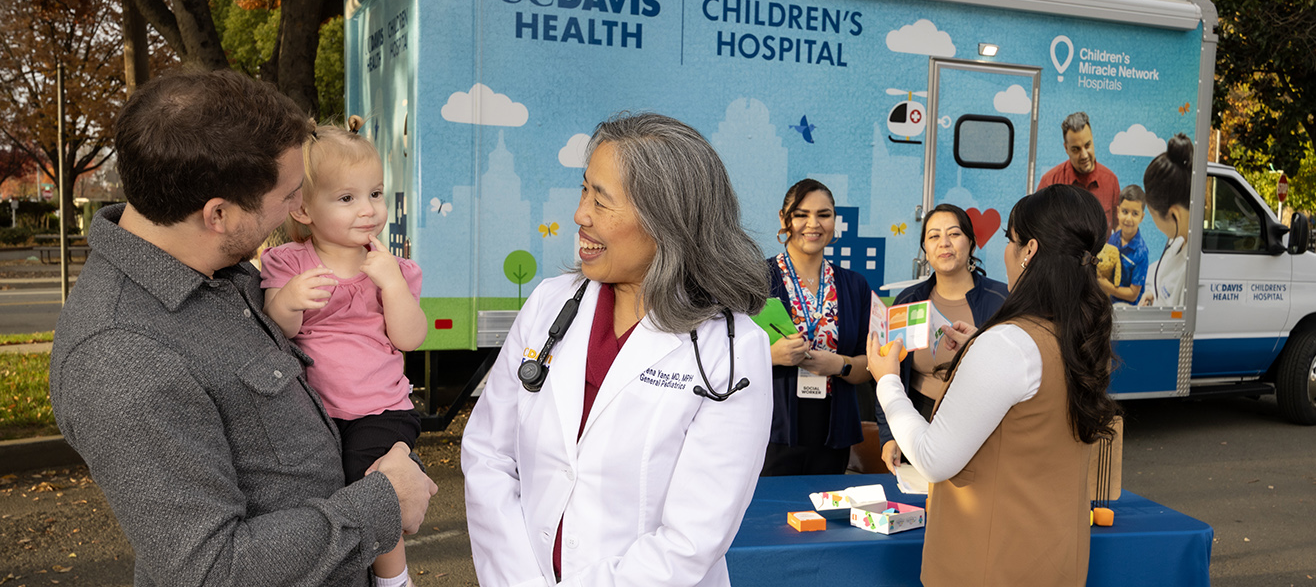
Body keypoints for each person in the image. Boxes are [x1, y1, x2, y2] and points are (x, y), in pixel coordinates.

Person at [48, 70, 437, 586]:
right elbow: (208, 571)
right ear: (219, 214)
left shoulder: (220, 271)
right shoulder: (122, 357)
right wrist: (383, 503)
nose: (294, 211)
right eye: (288, 196)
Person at [460, 112, 773, 586]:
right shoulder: (550, 303)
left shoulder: (731, 352)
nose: (580, 214)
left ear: (665, 221)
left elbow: (692, 539)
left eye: (601, 201)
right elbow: (488, 453)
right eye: (585, 190)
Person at [867, 184, 1119, 587]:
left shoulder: (1007, 344)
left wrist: (888, 383)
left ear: (1030, 251)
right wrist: (975, 349)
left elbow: (933, 458)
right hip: (1053, 558)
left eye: (1010, 240)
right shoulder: (1071, 333)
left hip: (990, 564)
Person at [260, 119, 427, 587]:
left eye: (375, 193)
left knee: (371, 480)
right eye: (347, 198)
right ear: (304, 208)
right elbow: (276, 328)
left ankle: (395, 579)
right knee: (320, 496)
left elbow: (410, 337)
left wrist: (391, 284)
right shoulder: (289, 263)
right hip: (316, 410)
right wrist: (289, 300)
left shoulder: (392, 267)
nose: (368, 210)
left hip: (381, 408)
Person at [876, 204, 1008, 472]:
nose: (944, 243)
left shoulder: (1002, 300)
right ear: (925, 249)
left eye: (954, 234)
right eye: (934, 236)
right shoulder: (909, 301)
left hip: (983, 423)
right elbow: (890, 375)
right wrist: (890, 436)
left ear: (971, 243)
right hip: (919, 418)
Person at [763, 179, 874, 476]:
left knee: (826, 519)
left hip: (832, 432)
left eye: (823, 215)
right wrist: (772, 356)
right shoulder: (756, 280)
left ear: (834, 220)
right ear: (783, 219)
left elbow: (872, 364)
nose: (813, 224)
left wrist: (840, 364)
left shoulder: (855, 286)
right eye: (801, 214)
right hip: (771, 431)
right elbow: (725, 356)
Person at [1038, 111, 1120, 231]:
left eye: (1087, 145)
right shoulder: (1049, 182)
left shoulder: (1111, 181)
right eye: (1076, 149)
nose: (1084, 155)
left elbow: (1120, 231)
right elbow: (1036, 228)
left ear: (1092, 139)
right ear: (1066, 148)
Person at [1139, 134, 1193, 307]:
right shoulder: (1177, 242)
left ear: (1173, 215)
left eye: (1152, 213)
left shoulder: (1191, 272)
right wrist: (1150, 292)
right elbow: (1158, 273)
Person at [1101, 185, 1149, 305]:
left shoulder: (1141, 252)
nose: (1128, 218)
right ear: (1118, 212)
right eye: (1125, 212)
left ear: (1142, 217)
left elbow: (1133, 295)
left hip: (1129, 307)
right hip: (1109, 300)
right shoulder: (1114, 238)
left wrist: (1107, 287)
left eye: (1135, 214)